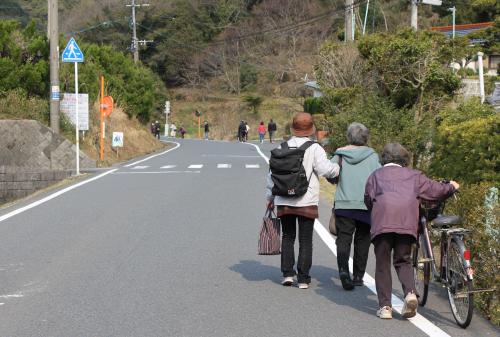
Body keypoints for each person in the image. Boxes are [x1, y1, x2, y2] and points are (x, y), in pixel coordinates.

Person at [365, 143, 459, 320]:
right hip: (406, 223)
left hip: (382, 223)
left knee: (382, 263)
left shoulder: (375, 176)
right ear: (405, 160)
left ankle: (385, 307)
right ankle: (410, 293)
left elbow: (368, 199)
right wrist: (451, 186)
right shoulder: (414, 176)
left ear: (383, 158)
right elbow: (435, 190)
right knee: (403, 260)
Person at [266, 112, 340, 289]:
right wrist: (337, 167)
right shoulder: (314, 148)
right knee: (306, 239)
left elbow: (271, 176)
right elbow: (325, 170)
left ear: (293, 128)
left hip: (283, 198)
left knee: (288, 236)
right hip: (306, 199)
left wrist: (270, 197)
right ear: (311, 129)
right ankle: (304, 278)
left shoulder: (282, 147)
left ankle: (287, 274)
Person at [330, 122, 381, 291]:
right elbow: (380, 178)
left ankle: (344, 272)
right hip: (366, 205)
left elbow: (331, 174)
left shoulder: (340, 154)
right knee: (363, 240)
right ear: (366, 138)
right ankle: (358, 276)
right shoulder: (373, 156)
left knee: (343, 238)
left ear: (348, 136)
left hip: (344, 203)